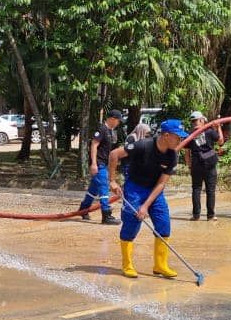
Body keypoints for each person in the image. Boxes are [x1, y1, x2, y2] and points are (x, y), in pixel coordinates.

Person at [108, 118, 186, 279]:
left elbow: (161, 184)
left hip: (154, 191)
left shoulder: (172, 156)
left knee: (164, 224)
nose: (181, 139)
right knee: (132, 223)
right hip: (135, 188)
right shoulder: (143, 146)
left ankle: (160, 265)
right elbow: (114, 154)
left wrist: (146, 206)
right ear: (166, 135)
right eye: (178, 136)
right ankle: (127, 265)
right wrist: (112, 181)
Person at [79, 108, 123, 225]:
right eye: (118, 121)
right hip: (98, 164)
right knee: (104, 187)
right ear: (113, 119)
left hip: (103, 164)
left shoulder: (109, 131)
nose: (118, 123)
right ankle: (106, 215)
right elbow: (94, 145)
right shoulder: (102, 129)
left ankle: (83, 209)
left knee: (93, 190)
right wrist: (93, 163)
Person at [187, 111, 223, 221]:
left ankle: (196, 215)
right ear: (201, 120)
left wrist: (189, 165)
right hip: (209, 163)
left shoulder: (190, 134)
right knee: (210, 190)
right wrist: (219, 128)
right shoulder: (209, 132)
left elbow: (187, 153)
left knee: (196, 189)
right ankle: (210, 216)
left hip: (196, 163)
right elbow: (221, 141)